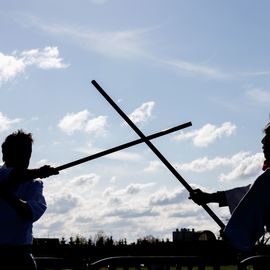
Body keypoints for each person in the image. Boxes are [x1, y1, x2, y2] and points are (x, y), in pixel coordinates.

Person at [189, 121, 270, 252]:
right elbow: (247, 194)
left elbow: (251, 199)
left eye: (269, 136)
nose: (263, 141)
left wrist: (232, 236)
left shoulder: (267, 180)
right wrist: (209, 197)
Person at [0, 130, 59, 269]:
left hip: (22, 257)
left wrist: (5, 194)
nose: (25, 159)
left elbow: (29, 213)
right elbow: (13, 175)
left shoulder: (34, 185)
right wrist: (38, 172)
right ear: (5, 154)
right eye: (19, 154)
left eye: (27, 154)